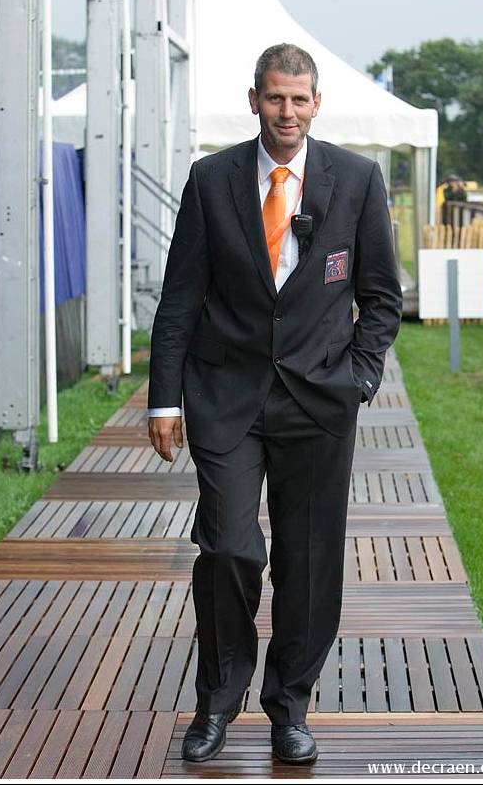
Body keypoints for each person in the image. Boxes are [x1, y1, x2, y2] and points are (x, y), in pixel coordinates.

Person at [148, 43, 403, 765]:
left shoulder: (356, 179)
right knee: (228, 548)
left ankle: (289, 706)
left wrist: (358, 378)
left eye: (298, 99)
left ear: (316, 104)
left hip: (320, 402)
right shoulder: (212, 179)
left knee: (309, 561)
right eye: (273, 97)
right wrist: (164, 400)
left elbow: (381, 297)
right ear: (253, 100)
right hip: (225, 396)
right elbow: (180, 297)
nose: (285, 111)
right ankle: (216, 704)